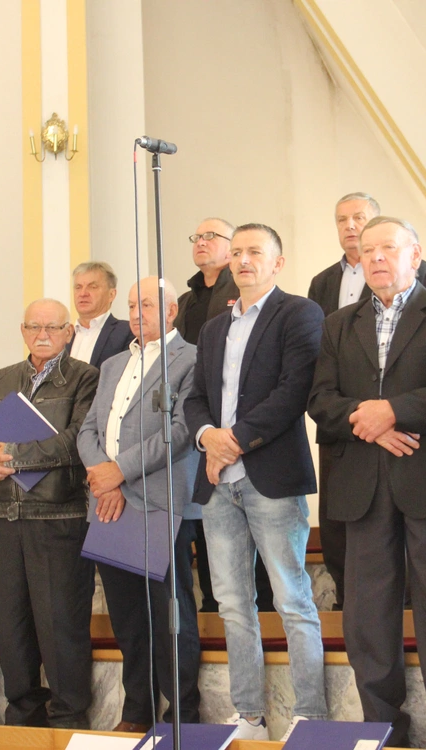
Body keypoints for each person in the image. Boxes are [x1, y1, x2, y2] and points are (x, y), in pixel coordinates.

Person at [308, 216, 426, 749]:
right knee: (367, 619)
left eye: (388, 247)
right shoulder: (338, 323)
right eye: (368, 250)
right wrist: (371, 422)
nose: (377, 257)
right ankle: (383, 732)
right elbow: (321, 399)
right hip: (363, 482)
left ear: (415, 254)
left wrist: (393, 411)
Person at [183, 223, 326, 741]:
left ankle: (310, 717)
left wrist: (233, 441)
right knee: (232, 605)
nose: (243, 260)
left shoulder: (299, 313)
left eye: (255, 252)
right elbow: (195, 398)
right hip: (217, 483)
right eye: (237, 252)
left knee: (292, 600)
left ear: (277, 262)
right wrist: (207, 437)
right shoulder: (213, 328)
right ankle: (249, 717)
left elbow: (294, 391)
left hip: (270, 476)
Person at [0, 299, 99, 728]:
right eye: (33, 327)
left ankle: (68, 719)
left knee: (61, 626)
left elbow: (78, 440)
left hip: (57, 518)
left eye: (52, 327)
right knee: (11, 628)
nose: (42, 335)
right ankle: (22, 720)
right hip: (0, 518)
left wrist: (14, 456)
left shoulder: (86, 377)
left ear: (68, 332)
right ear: (22, 331)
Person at [77, 277, 202, 732]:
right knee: (128, 619)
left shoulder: (190, 358)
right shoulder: (112, 363)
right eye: (131, 305)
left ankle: (183, 715)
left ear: (170, 311)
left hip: (159, 504)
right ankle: (137, 711)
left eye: (146, 305)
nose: (135, 313)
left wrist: (119, 471)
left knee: (171, 617)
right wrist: (103, 478)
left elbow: (180, 431)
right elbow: (88, 430)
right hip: (109, 505)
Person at [307, 192, 426, 611]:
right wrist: (366, 420)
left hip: (410, 443)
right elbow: (322, 378)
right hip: (348, 436)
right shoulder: (324, 285)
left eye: (359, 218)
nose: (350, 227)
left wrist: (389, 414)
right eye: (342, 220)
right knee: (347, 547)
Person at [176, 217, 274, 613]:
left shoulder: (246, 294)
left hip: (250, 439)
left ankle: (265, 609)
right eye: (196, 236)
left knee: (260, 543)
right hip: (199, 432)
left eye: (211, 236)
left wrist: (230, 439)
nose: (201, 242)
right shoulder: (186, 301)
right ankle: (212, 607)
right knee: (208, 531)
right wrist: (206, 433)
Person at [66, 261, 133, 368]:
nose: (83, 293)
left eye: (92, 287)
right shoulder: (63, 335)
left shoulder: (127, 332)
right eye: (78, 287)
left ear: (111, 294)